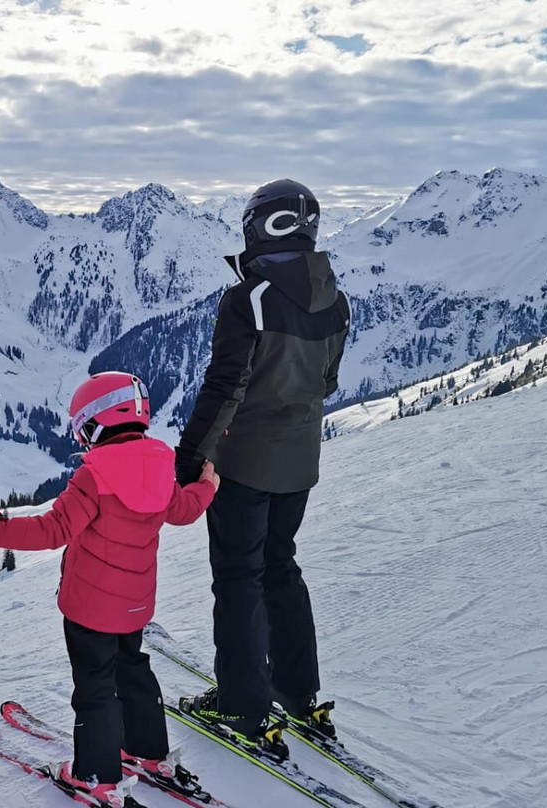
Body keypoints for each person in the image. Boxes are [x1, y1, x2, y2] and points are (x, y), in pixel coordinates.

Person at [0, 371, 220, 808]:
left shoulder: (94, 476)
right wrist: (206, 486)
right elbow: (183, 510)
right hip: (135, 606)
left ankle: (96, 776)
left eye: (82, 429)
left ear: (97, 424)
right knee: (133, 669)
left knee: (95, 686)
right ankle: (149, 752)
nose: (80, 439)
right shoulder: (160, 465)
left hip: (89, 609)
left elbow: (53, 529)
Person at [174, 179, 350, 760]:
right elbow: (327, 382)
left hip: (244, 463)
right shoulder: (336, 300)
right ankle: (296, 690)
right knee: (280, 566)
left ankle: (241, 705)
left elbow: (225, 386)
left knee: (238, 577)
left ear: (260, 226)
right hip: (300, 463)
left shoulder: (248, 299)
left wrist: (191, 456)